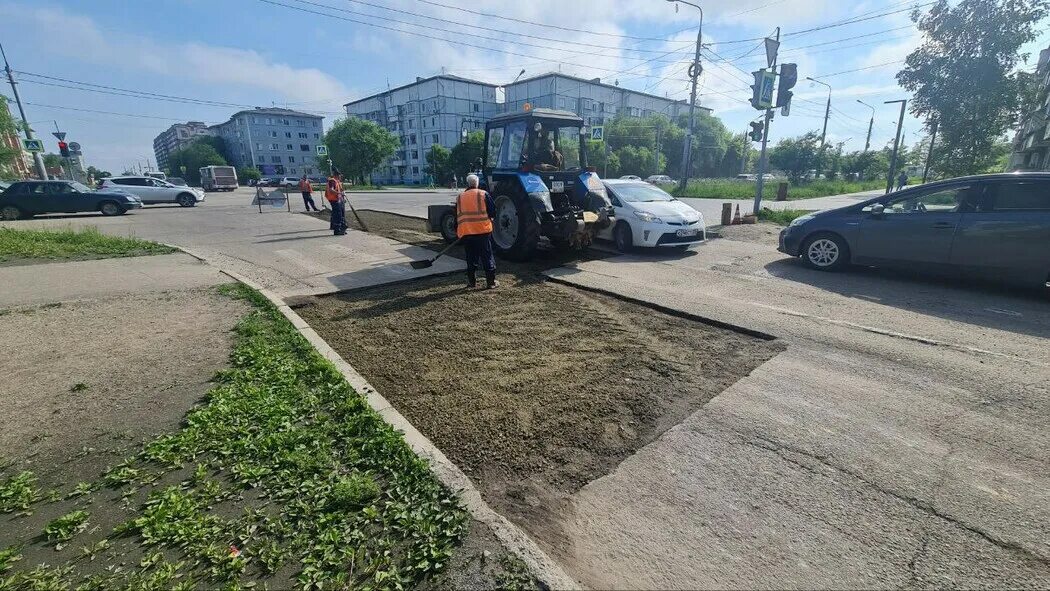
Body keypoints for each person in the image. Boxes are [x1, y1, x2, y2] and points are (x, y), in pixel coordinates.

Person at [456, 174, 498, 289]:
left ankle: (471, 282)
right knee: (487, 256)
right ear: (477, 183)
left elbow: (458, 215)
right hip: (483, 231)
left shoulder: (460, 197)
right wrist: (491, 218)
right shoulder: (483, 194)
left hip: (467, 233)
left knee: (471, 257)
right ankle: (491, 282)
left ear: (467, 184)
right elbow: (493, 211)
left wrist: (459, 232)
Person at [326, 169, 347, 235]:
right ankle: (337, 230)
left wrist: (342, 197)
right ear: (337, 175)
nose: (341, 177)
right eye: (340, 176)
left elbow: (340, 190)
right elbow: (331, 190)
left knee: (341, 214)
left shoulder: (337, 181)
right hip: (334, 200)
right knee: (338, 215)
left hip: (338, 200)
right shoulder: (332, 181)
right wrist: (340, 193)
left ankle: (341, 228)